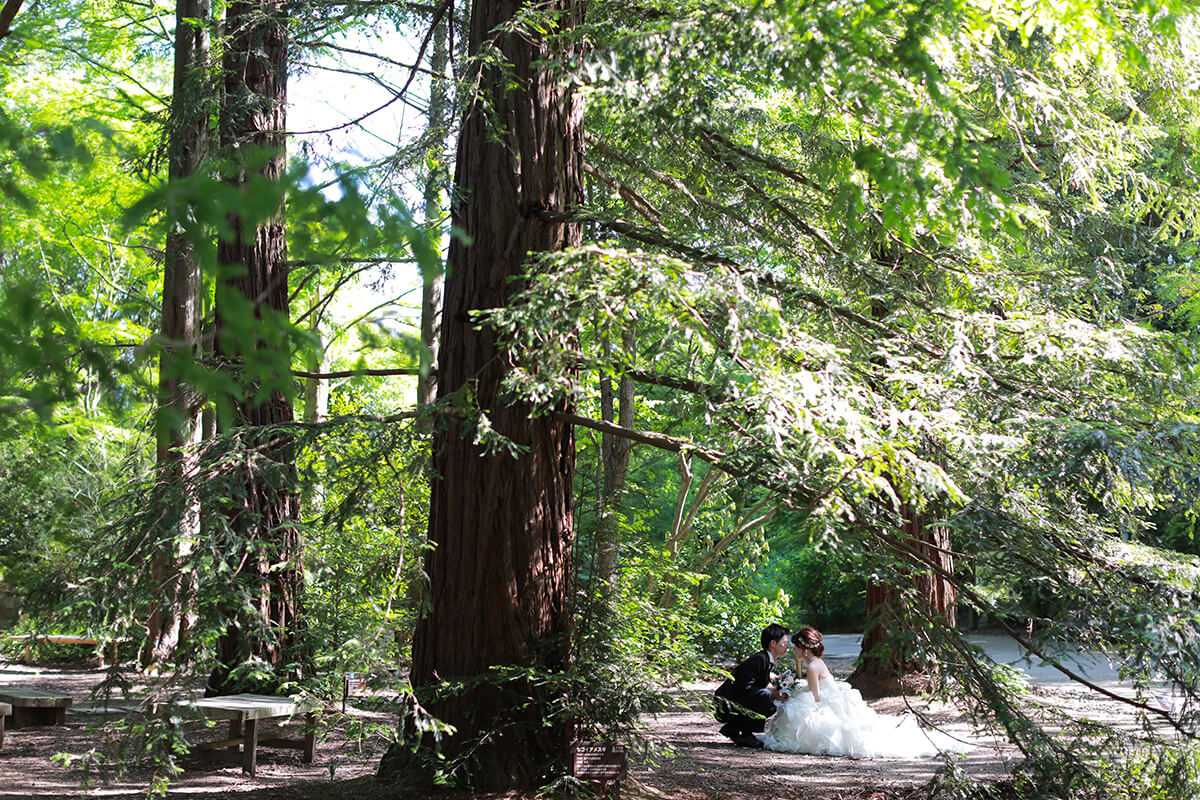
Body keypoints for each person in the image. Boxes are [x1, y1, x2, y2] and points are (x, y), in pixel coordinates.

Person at [759, 626, 971, 758]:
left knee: (795, 709)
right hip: (829, 696)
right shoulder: (813, 662)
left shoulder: (813, 665)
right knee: (793, 704)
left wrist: (794, 693)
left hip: (828, 702)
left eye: (795, 647)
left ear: (804, 648)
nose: (792, 650)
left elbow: (816, 697)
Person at [714, 623, 791, 748]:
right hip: (726, 704)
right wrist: (772, 692)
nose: (787, 646)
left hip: (736, 702)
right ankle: (746, 735)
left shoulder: (766, 660)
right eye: (784, 642)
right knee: (766, 695)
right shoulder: (759, 659)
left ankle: (732, 728)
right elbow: (745, 687)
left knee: (772, 706)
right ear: (773, 644)